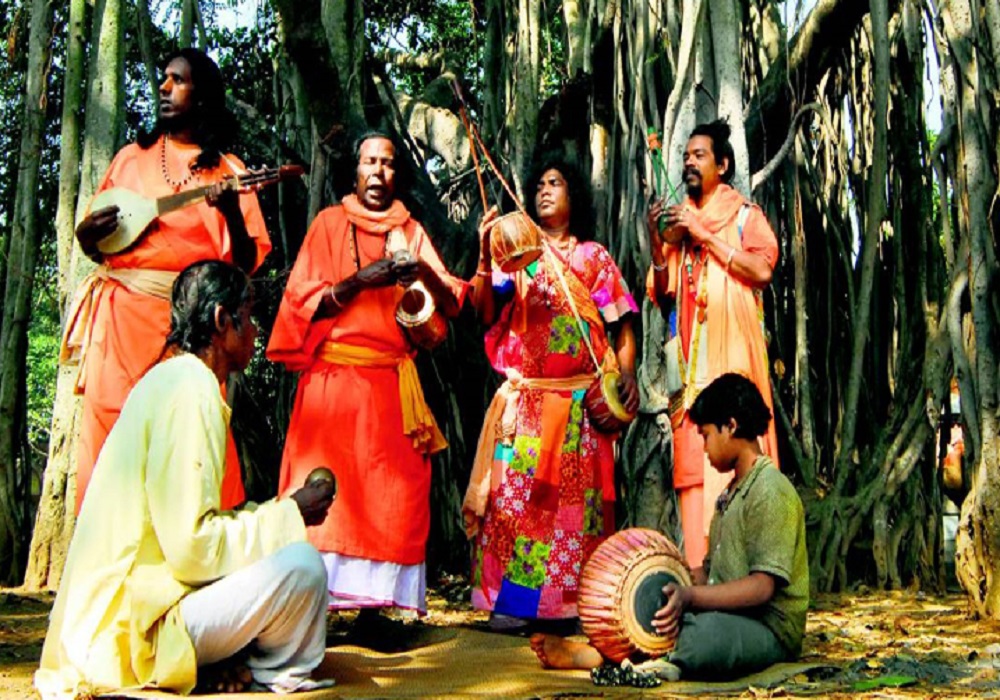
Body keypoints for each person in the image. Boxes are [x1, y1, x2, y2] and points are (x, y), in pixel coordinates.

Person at [35, 261, 336, 699]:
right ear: (221, 320)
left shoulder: (171, 380)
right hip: (132, 637)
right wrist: (290, 514)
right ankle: (267, 670)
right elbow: (193, 549)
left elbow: (185, 535)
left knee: (281, 548)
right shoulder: (191, 390)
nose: (255, 331)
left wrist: (279, 513)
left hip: (126, 620)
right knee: (303, 567)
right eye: (248, 316)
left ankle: (214, 661)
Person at [62, 48, 271, 514]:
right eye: (164, 78)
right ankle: (107, 548)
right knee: (112, 433)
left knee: (189, 435)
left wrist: (232, 213)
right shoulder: (129, 160)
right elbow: (101, 244)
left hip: (191, 333)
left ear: (204, 96)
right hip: (121, 324)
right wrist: (86, 236)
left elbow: (245, 265)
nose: (164, 86)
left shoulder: (230, 170)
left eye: (178, 80)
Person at [267, 131, 466, 617]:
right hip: (332, 386)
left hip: (393, 388)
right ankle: (312, 604)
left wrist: (423, 271)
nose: (378, 171)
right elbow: (299, 304)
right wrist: (359, 281)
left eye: (388, 163)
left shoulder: (410, 231)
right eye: (369, 161)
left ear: (398, 173)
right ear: (354, 171)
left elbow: (452, 302)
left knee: (393, 498)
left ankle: (377, 610)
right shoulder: (328, 223)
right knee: (324, 497)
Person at [530, 373, 807, 682]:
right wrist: (665, 580)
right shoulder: (731, 492)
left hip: (768, 628)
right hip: (729, 615)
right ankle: (613, 652)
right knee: (654, 612)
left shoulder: (771, 490)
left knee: (703, 637)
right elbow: (711, 571)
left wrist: (690, 596)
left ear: (730, 426)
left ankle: (609, 657)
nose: (704, 448)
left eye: (706, 435)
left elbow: (762, 587)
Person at [462, 154, 640, 628]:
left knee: (577, 515)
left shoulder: (593, 258)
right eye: (539, 183)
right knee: (516, 507)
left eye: (555, 182)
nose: (544, 190)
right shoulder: (516, 258)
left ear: (573, 195)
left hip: (581, 409)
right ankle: (515, 606)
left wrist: (627, 374)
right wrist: (484, 256)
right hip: (527, 409)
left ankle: (575, 607)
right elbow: (484, 312)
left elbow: (622, 322)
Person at [646, 120, 780, 569]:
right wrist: (656, 243)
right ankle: (700, 576)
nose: (689, 162)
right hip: (690, 373)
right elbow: (662, 292)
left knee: (737, 459)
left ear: (722, 165)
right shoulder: (679, 228)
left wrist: (705, 236)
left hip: (733, 365)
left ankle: (744, 579)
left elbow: (762, 271)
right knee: (692, 471)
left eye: (699, 155)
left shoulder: (743, 216)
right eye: (686, 156)